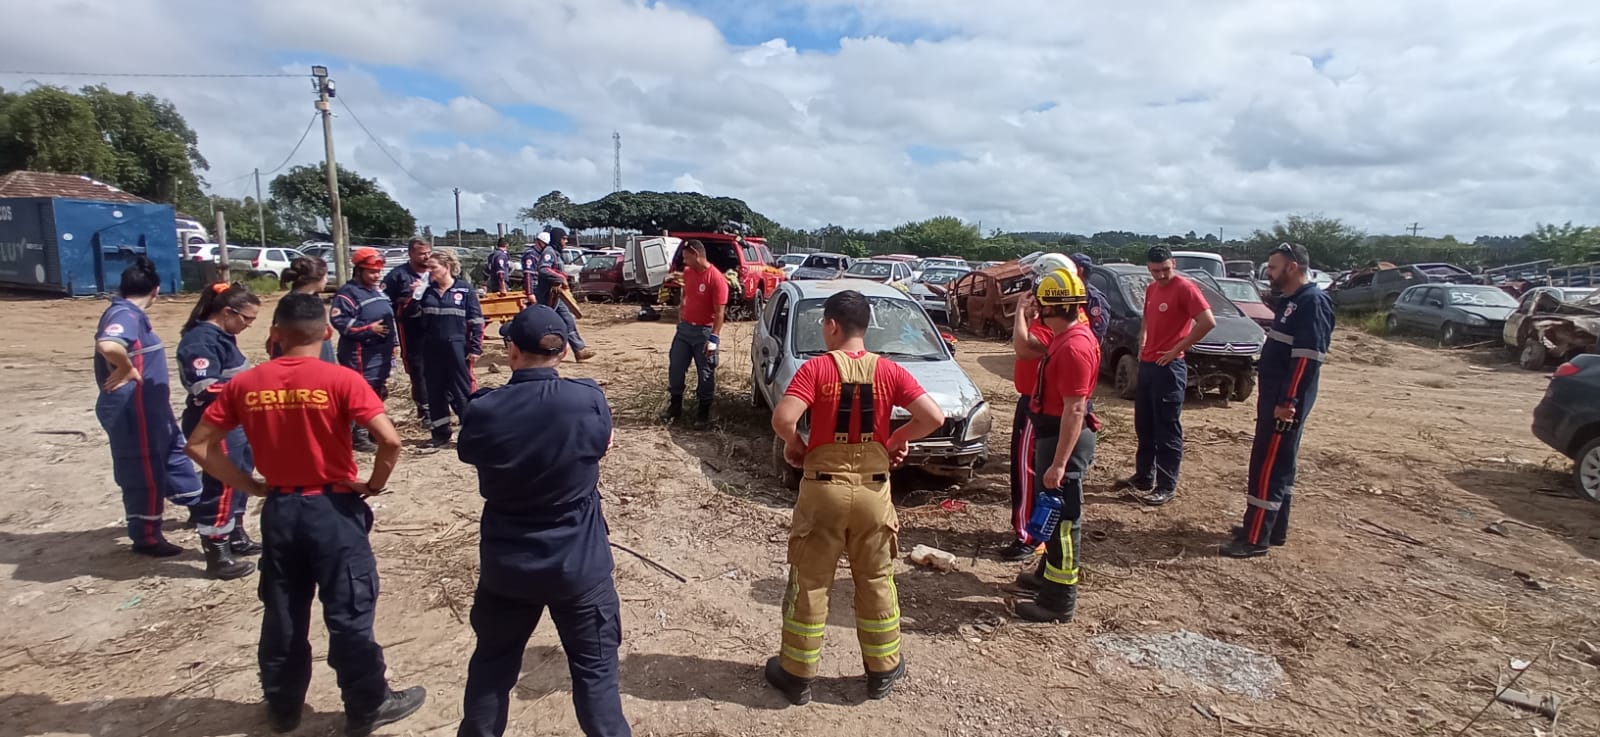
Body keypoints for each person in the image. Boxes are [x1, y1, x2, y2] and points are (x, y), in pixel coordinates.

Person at [184, 293, 425, 736]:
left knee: (283, 610)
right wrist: (373, 485)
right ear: (328, 332)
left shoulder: (246, 384)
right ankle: (367, 703)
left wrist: (249, 484)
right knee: (349, 610)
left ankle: (283, 705)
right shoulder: (342, 380)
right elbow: (389, 440)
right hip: (332, 509)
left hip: (280, 509)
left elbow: (199, 445)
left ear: (275, 334)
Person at [454, 306, 630, 737]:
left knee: (491, 671)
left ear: (511, 350)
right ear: (565, 350)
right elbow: (602, 444)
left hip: (507, 567)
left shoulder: (485, 410)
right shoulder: (587, 399)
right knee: (596, 679)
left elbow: (469, 451)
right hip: (579, 565)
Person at [766, 290, 946, 705]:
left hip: (823, 491)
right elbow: (933, 417)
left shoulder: (816, 369)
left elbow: (783, 417)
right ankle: (882, 670)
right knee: (876, 579)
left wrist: (796, 443)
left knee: (810, 582)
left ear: (831, 325)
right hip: (873, 492)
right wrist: (897, 437)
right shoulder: (890, 371)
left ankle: (796, 675)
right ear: (865, 327)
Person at [1221, 243, 1334, 558]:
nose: (1268, 273)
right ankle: (1272, 529)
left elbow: (1306, 360)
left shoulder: (1312, 303)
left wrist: (1288, 401)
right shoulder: (1292, 301)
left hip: (1284, 403)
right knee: (1278, 463)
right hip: (1275, 398)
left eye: (1273, 267)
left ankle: (1256, 538)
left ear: (1293, 267)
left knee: (1268, 465)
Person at [94, 255, 202, 557]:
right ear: (156, 290)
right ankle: (146, 537)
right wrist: (126, 367)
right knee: (143, 471)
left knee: (174, 455)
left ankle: (196, 503)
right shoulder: (124, 316)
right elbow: (109, 345)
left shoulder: (132, 314)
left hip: (151, 408)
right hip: (132, 410)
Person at [1011, 269, 1102, 623]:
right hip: (1052, 434)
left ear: (1050, 308)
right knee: (1050, 512)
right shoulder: (1066, 336)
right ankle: (1047, 576)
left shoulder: (1075, 346)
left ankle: (1058, 601)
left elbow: (1075, 408)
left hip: (1064, 440)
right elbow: (1024, 348)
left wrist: (1059, 464)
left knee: (1064, 521)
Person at [177, 282, 264, 580]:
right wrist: (251, 387)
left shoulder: (223, 336)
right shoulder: (200, 340)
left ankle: (235, 533)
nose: (248, 326)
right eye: (246, 319)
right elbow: (204, 387)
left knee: (240, 476)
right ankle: (217, 551)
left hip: (234, 422)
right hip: (213, 424)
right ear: (228, 311)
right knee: (223, 484)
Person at [1117, 245, 1216, 506]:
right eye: (1154, 270)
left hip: (1169, 368)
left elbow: (1207, 321)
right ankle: (1143, 476)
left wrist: (1176, 350)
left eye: (1165, 270)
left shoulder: (1186, 288)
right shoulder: (1152, 288)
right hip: (1148, 364)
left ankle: (1166, 484)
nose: (1160, 275)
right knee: (1145, 425)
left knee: (1166, 429)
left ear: (1173, 263)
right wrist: (1143, 340)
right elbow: (1148, 318)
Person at [408, 255, 484, 448]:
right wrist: (415, 297)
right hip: (432, 348)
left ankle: (471, 433)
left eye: (433, 267)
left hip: (457, 347)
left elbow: (476, 320)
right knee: (435, 390)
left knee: (462, 390)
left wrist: (475, 347)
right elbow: (414, 319)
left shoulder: (464, 289)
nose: (429, 271)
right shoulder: (427, 292)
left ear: (447, 266)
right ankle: (440, 433)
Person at [332, 248, 398, 453]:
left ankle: (373, 429)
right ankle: (357, 435)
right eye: (371, 272)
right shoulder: (347, 294)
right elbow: (340, 321)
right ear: (359, 270)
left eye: (378, 271)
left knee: (378, 390)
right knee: (361, 392)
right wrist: (368, 329)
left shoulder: (378, 291)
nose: (376, 276)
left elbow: (389, 318)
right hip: (360, 353)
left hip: (382, 352)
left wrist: (394, 343)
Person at [658, 240, 727, 428]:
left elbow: (720, 313)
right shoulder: (688, 274)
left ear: (696, 254)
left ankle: (703, 413)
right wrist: (681, 317)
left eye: (686, 256)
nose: (684, 260)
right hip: (685, 330)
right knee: (676, 367)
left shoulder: (716, 279)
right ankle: (675, 407)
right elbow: (685, 296)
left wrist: (713, 338)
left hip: (704, 332)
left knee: (705, 372)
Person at [382, 238, 435, 422]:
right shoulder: (398, 276)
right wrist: (408, 299)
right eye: (422, 253)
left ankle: (441, 405)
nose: (427, 256)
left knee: (438, 368)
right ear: (411, 254)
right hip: (411, 331)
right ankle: (425, 410)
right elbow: (384, 303)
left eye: (429, 252)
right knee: (418, 369)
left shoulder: (436, 272)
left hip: (435, 330)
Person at [527, 228, 594, 361]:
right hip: (548, 296)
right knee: (544, 324)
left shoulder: (556, 253)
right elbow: (544, 269)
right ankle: (529, 348)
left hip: (557, 296)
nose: (566, 241)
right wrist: (560, 278)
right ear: (558, 239)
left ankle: (579, 350)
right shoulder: (549, 252)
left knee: (568, 320)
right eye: (564, 238)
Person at [273, 256, 336, 363]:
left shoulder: (315, 298)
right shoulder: (292, 304)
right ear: (316, 278)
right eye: (326, 275)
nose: (327, 280)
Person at [1070, 253, 1111, 341]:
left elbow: (1097, 333)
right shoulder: (1069, 293)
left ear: (1079, 270)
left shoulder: (1095, 299)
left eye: (1069, 267)